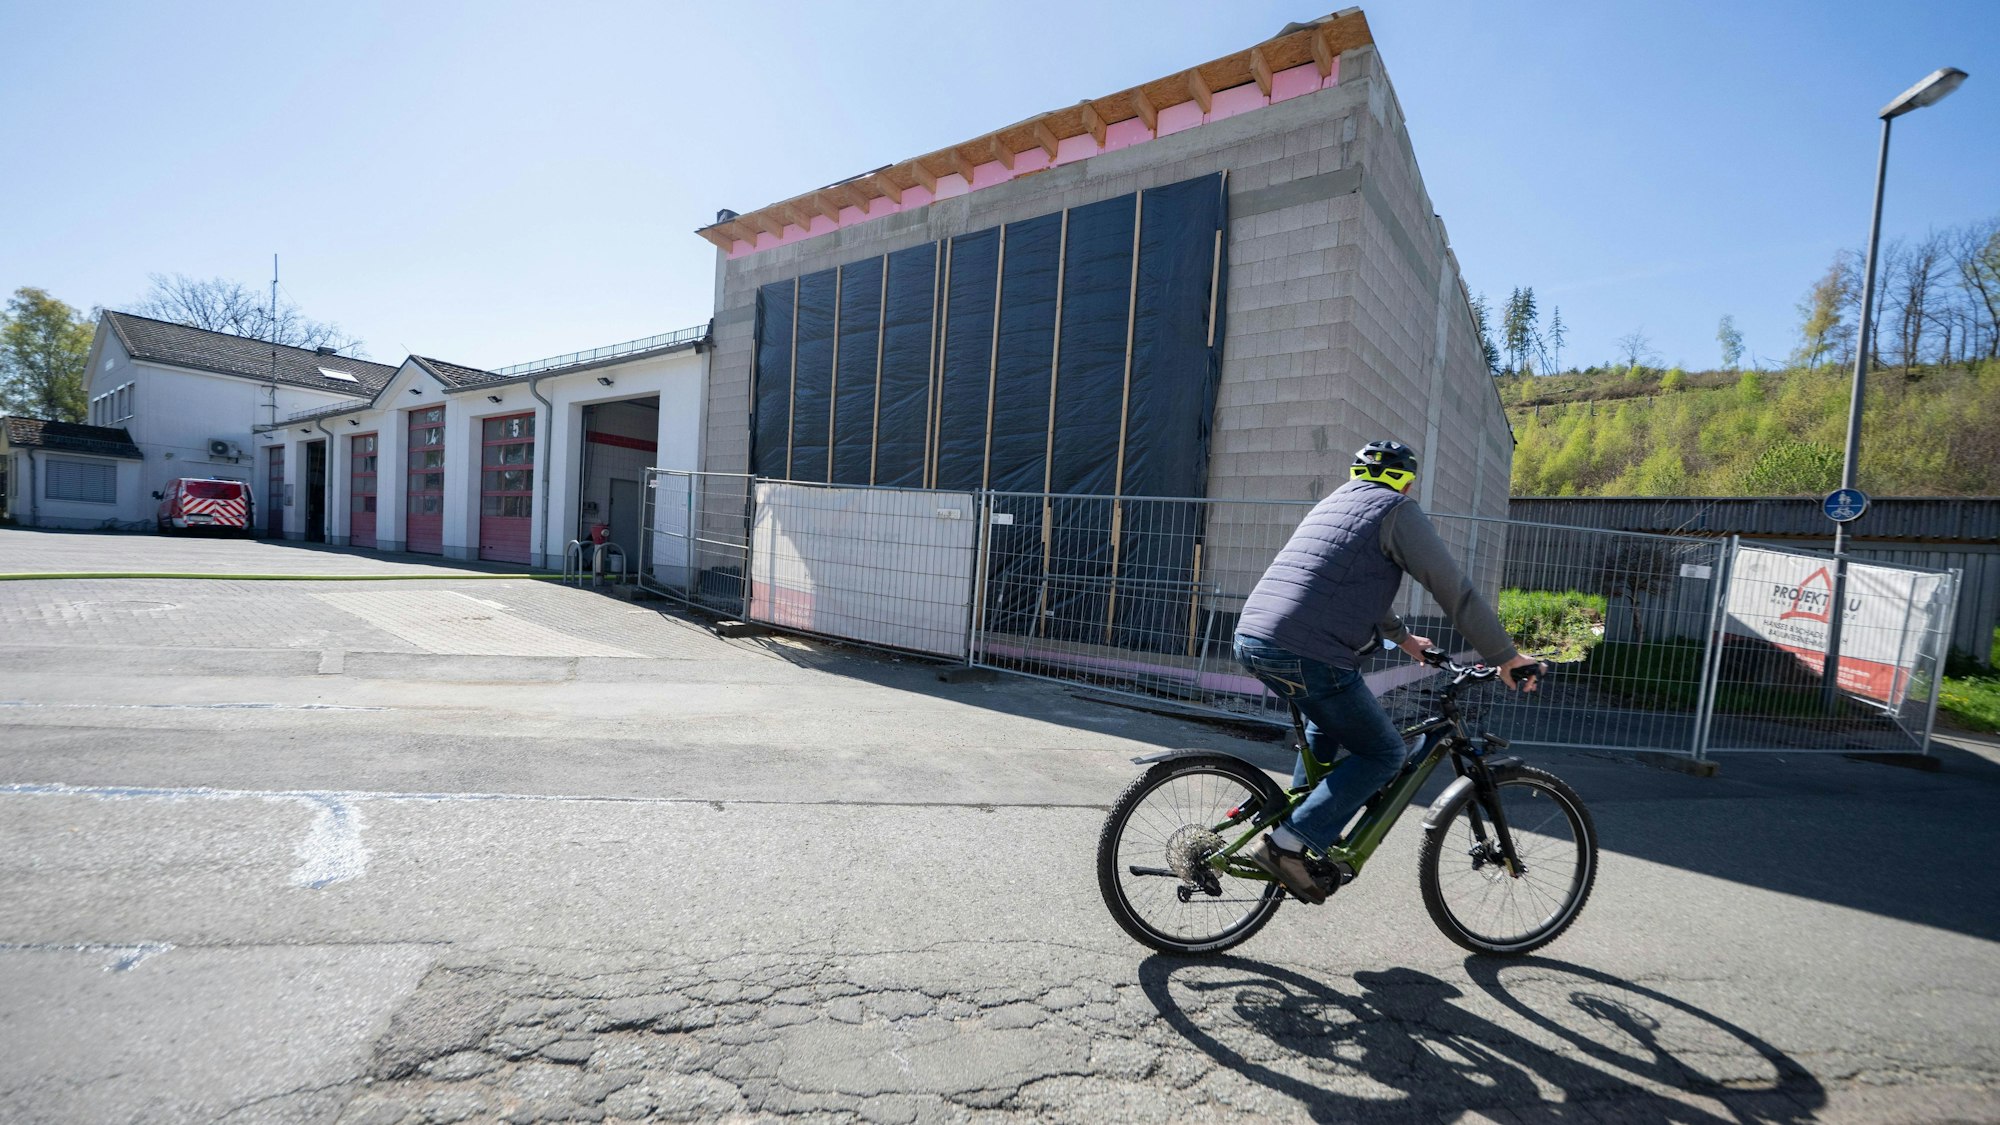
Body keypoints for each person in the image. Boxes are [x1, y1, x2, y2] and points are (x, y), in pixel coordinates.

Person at [1233, 439, 1540, 904]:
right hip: (1308, 651)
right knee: (1384, 754)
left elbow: (1346, 586)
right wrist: (1505, 656)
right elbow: (1454, 591)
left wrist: (1406, 640)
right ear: (1408, 481)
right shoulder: (1398, 510)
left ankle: (1295, 828)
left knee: (1326, 722)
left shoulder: (1333, 504)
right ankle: (1288, 845)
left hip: (1253, 638)